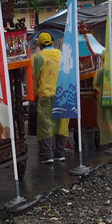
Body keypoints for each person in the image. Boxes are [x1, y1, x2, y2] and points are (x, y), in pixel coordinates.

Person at [32, 31, 69, 162]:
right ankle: (60, 152)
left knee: (46, 123)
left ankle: (48, 155)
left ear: (40, 45)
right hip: (62, 93)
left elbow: (36, 77)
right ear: (52, 42)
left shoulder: (38, 57)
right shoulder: (61, 54)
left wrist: (35, 93)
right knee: (62, 122)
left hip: (46, 94)